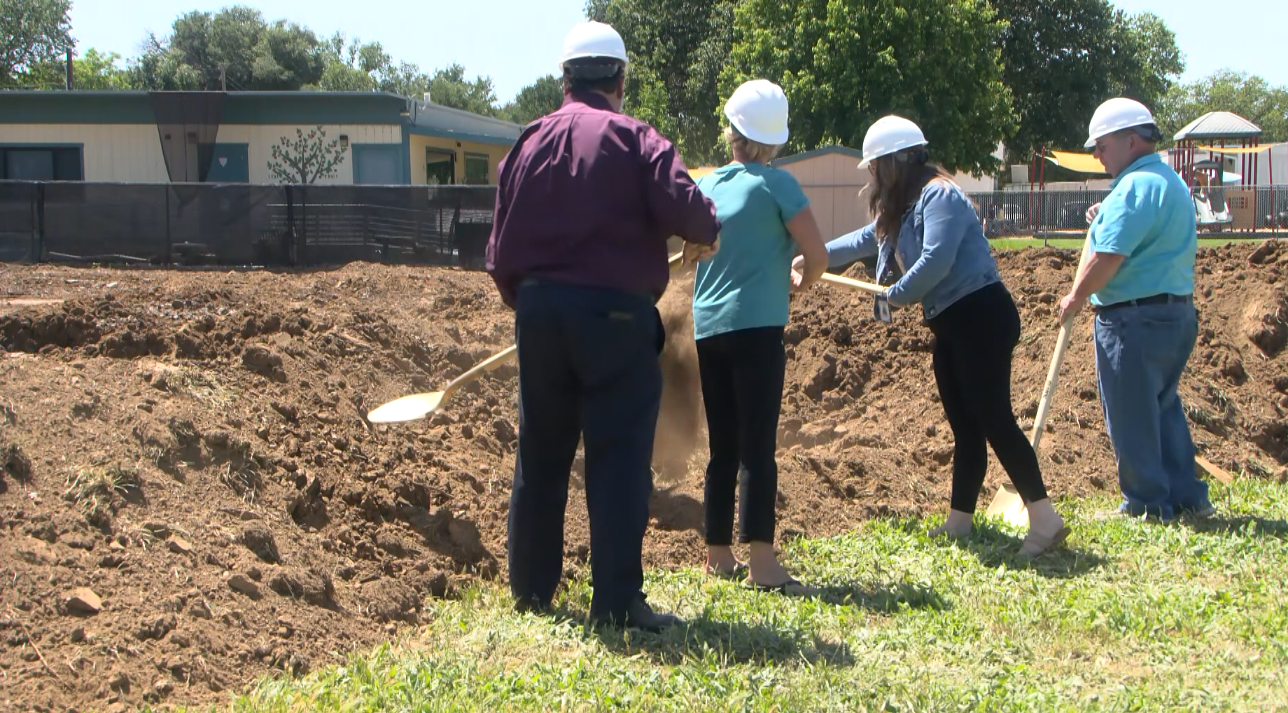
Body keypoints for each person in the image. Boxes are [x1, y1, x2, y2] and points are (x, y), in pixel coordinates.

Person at [485, 20, 721, 630]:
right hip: (616, 318)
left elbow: (498, 253)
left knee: (540, 453)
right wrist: (705, 232)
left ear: (564, 79)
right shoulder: (637, 139)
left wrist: (535, 304)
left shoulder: (528, 142)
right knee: (617, 457)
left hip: (538, 314)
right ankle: (615, 601)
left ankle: (532, 594)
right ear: (620, 79)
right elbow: (695, 215)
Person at [795, 115, 1069, 556]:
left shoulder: (940, 196)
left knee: (995, 419)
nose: (871, 178)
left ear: (894, 164)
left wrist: (894, 296)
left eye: (874, 168)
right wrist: (812, 256)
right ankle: (959, 521)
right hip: (951, 324)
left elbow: (936, 259)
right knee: (966, 427)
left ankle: (1045, 519)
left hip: (981, 316)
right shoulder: (902, 209)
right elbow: (866, 240)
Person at [689, 80, 829, 596]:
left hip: (710, 329)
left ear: (732, 132)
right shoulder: (777, 185)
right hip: (757, 329)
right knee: (757, 447)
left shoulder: (706, 187)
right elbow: (819, 256)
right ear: (773, 141)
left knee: (722, 445)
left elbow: (693, 249)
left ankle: (717, 555)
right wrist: (802, 275)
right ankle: (763, 565)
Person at [1059, 97, 1212, 521]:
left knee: (1131, 415)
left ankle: (1147, 503)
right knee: (1162, 407)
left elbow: (1108, 255)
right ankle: (1187, 497)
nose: (1097, 155)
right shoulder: (1168, 181)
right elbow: (1139, 231)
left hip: (1133, 320)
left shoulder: (1135, 186)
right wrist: (1104, 211)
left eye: (1102, 146)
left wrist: (1075, 297)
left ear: (1131, 141)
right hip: (1174, 315)